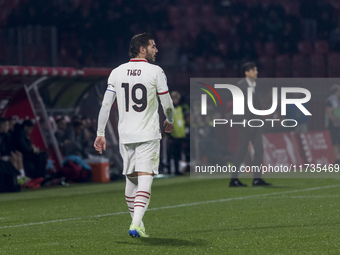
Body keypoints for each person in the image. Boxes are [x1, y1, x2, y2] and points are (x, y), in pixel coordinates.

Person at [94, 33, 174, 238]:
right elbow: (167, 104)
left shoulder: (117, 72)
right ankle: (136, 223)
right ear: (142, 49)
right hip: (147, 133)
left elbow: (105, 105)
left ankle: (139, 224)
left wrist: (100, 133)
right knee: (145, 178)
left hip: (126, 135)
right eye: (153, 46)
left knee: (131, 181)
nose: (156, 50)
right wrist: (170, 120)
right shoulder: (155, 71)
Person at [229, 62, 271, 187]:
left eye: (256, 70)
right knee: (241, 152)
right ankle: (234, 179)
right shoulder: (241, 86)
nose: (256, 72)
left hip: (256, 124)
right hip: (246, 124)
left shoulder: (254, 86)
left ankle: (257, 179)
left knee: (259, 150)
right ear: (246, 73)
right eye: (253, 70)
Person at [325, 85, 340, 164]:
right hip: (333, 125)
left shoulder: (338, 101)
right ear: (336, 91)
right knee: (335, 142)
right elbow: (329, 114)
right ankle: (337, 159)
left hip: (338, 124)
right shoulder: (330, 101)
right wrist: (337, 121)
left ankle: (338, 159)